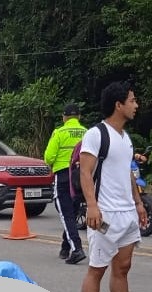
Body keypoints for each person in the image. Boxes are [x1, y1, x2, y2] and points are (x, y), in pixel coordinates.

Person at [78, 81, 152, 292]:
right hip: (105, 215)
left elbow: (128, 174)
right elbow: (85, 172)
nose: (136, 105)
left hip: (127, 214)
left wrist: (139, 203)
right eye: (132, 100)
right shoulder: (97, 134)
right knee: (96, 268)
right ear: (118, 105)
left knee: (122, 268)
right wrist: (92, 206)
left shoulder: (125, 138)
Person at [44, 103, 87, 264]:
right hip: (81, 177)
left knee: (66, 213)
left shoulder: (59, 132)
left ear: (64, 117)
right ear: (79, 117)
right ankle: (65, 247)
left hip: (63, 176)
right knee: (73, 212)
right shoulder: (87, 132)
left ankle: (77, 248)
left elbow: (49, 157)